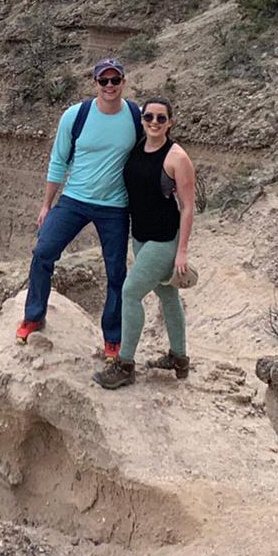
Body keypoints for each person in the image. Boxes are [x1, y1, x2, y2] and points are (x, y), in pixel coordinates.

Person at [18, 57, 141, 358]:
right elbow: (58, 160)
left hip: (115, 206)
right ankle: (34, 316)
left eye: (115, 80)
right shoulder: (76, 115)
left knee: (115, 272)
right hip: (74, 200)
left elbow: (150, 153)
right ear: (95, 83)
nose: (109, 86)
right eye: (104, 80)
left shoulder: (136, 116)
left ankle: (113, 338)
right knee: (43, 252)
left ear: (124, 82)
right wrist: (47, 204)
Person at [95, 94, 194, 390]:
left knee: (130, 293)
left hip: (164, 239)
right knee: (167, 295)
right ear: (142, 120)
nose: (154, 122)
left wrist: (182, 251)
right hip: (139, 235)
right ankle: (179, 357)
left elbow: (188, 206)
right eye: (149, 117)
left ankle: (125, 364)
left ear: (170, 123)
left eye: (161, 118)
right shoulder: (138, 147)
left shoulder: (177, 157)